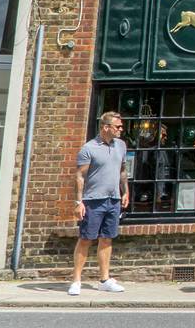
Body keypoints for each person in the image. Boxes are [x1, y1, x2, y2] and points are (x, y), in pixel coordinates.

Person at [69, 111, 129, 296]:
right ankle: (76, 280)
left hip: (113, 199)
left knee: (107, 238)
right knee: (86, 238)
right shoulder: (89, 148)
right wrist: (79, 201)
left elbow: (122, 170)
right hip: (93, 200)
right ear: (105, 127)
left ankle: (104, 279)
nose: (121, 129)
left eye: (121, 126)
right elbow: (80, 176)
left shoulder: (121, 145)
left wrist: (125, 191)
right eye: (117, 126)